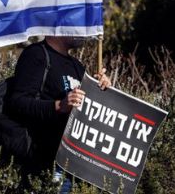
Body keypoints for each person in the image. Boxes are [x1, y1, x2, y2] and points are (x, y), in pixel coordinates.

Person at [6, 36, 111, 192]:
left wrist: (103, 90)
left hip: (77, 167)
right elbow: (17, 103)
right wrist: (59, 106)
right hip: (47, 165)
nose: (82, 31)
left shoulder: (76, 66)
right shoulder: (36, 55)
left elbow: (88, 112)